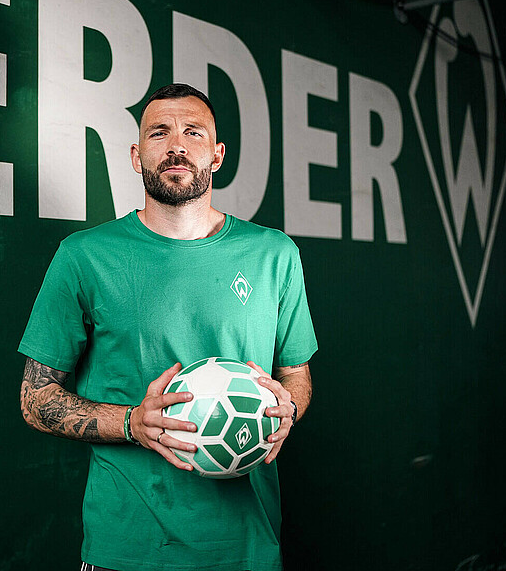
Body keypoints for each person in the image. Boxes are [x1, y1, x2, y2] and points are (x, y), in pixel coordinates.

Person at [18, 83, 317, 571]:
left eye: (193, 131)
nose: (177, 144)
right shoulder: (84, 256)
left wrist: (289, 408)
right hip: (128, 549)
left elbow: (296, 373)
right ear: (137, 156)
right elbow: (36, 399)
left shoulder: (274, 254)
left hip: (247, 547)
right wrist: (133, 423)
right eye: (159, 132)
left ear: (217, 155)